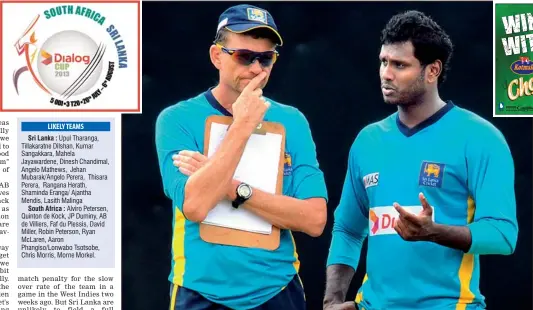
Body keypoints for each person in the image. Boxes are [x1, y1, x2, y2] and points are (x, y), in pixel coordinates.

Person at [323, 10, 518, 310]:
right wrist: (332, 300)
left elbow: (503, 235)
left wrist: (434, 232)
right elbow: (348, 228)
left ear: (432, 70)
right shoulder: (368, 141)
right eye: (384, 61)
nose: (386, 73)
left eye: (400, 65)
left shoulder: (480, 138)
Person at [155, 4, 328, 310]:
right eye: (244, 56)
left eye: (266, 58)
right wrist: (243, 125)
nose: (257, 68)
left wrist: (233, 188)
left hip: (277, 290)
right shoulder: (177, 119)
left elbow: (314, 219)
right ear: (216, 56)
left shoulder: (293, 121)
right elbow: (195, 205)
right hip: (201, 293)